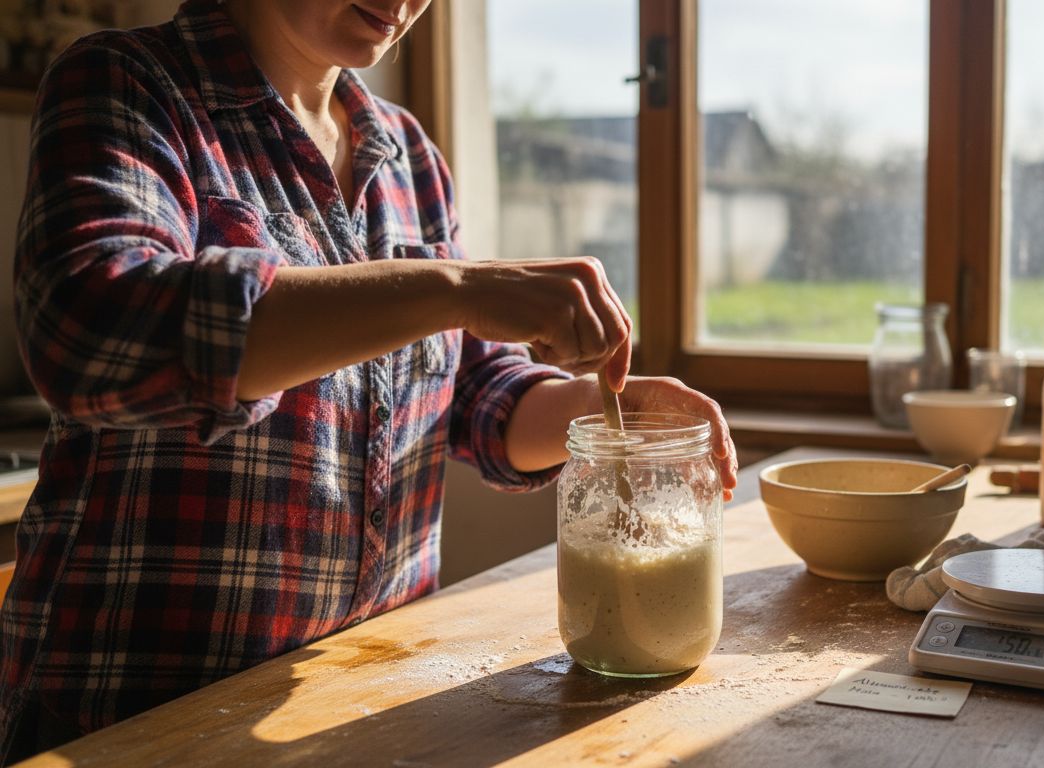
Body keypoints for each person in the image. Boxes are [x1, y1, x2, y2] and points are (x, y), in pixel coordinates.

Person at [0, 0, 737, 761]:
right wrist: (452, 286)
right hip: (131, 717)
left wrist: (599, 410)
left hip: (353, 701)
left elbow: (474, 397)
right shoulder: (127, 84)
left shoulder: (407, 155)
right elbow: (87, 332)